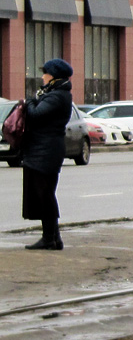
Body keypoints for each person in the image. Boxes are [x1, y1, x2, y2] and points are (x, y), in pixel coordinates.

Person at [22, 58, 73, 250]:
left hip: (46, 150)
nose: (42, 76)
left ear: (53, 76)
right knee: (45, 194)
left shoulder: (57, 96)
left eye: (45, 73)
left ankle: (49, 238)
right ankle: (53, 238)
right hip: (44, 149)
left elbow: (35, 114)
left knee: (46, 194)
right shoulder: (55, 93)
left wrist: (29, 103)